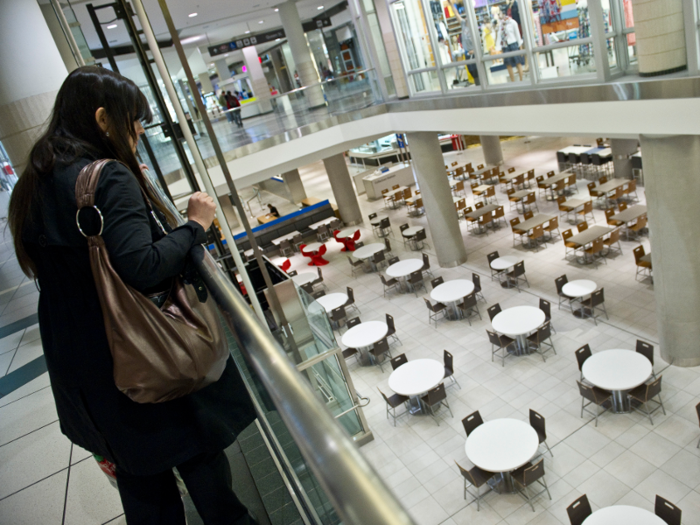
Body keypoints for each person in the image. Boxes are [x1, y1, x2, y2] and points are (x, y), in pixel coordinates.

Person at [8, 66, 258, 525]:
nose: (139, 134)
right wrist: (195, 225)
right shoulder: (108, 177)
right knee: (201, 466)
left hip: (82, 361)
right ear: (103, 120)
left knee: (143, 481)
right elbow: (143, 268)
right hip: (138, 351)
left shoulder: (35, 181)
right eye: (134, 123)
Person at [447, 0, 480, 86]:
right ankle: (478, 85)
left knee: (477, 71)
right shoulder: (463, 24)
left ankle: (480, 85)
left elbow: (478, 40)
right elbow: (456, 13)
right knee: (471, 70)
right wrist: (451, 4)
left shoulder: (473, 27)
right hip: (467, 53)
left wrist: (475, 50)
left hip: (474, 52)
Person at [496, 9, 525, 82]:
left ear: (503, 13)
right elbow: (499, 36)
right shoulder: (500, 25)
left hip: (513, 44)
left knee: (518, 62)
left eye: (499, 14)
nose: (498, 16)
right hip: (505, 46)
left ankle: (521, 80)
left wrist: (520, 46)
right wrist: (499, 48)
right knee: (508, 64)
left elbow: (517, 34)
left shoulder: (512, 22)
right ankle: (513, 81)